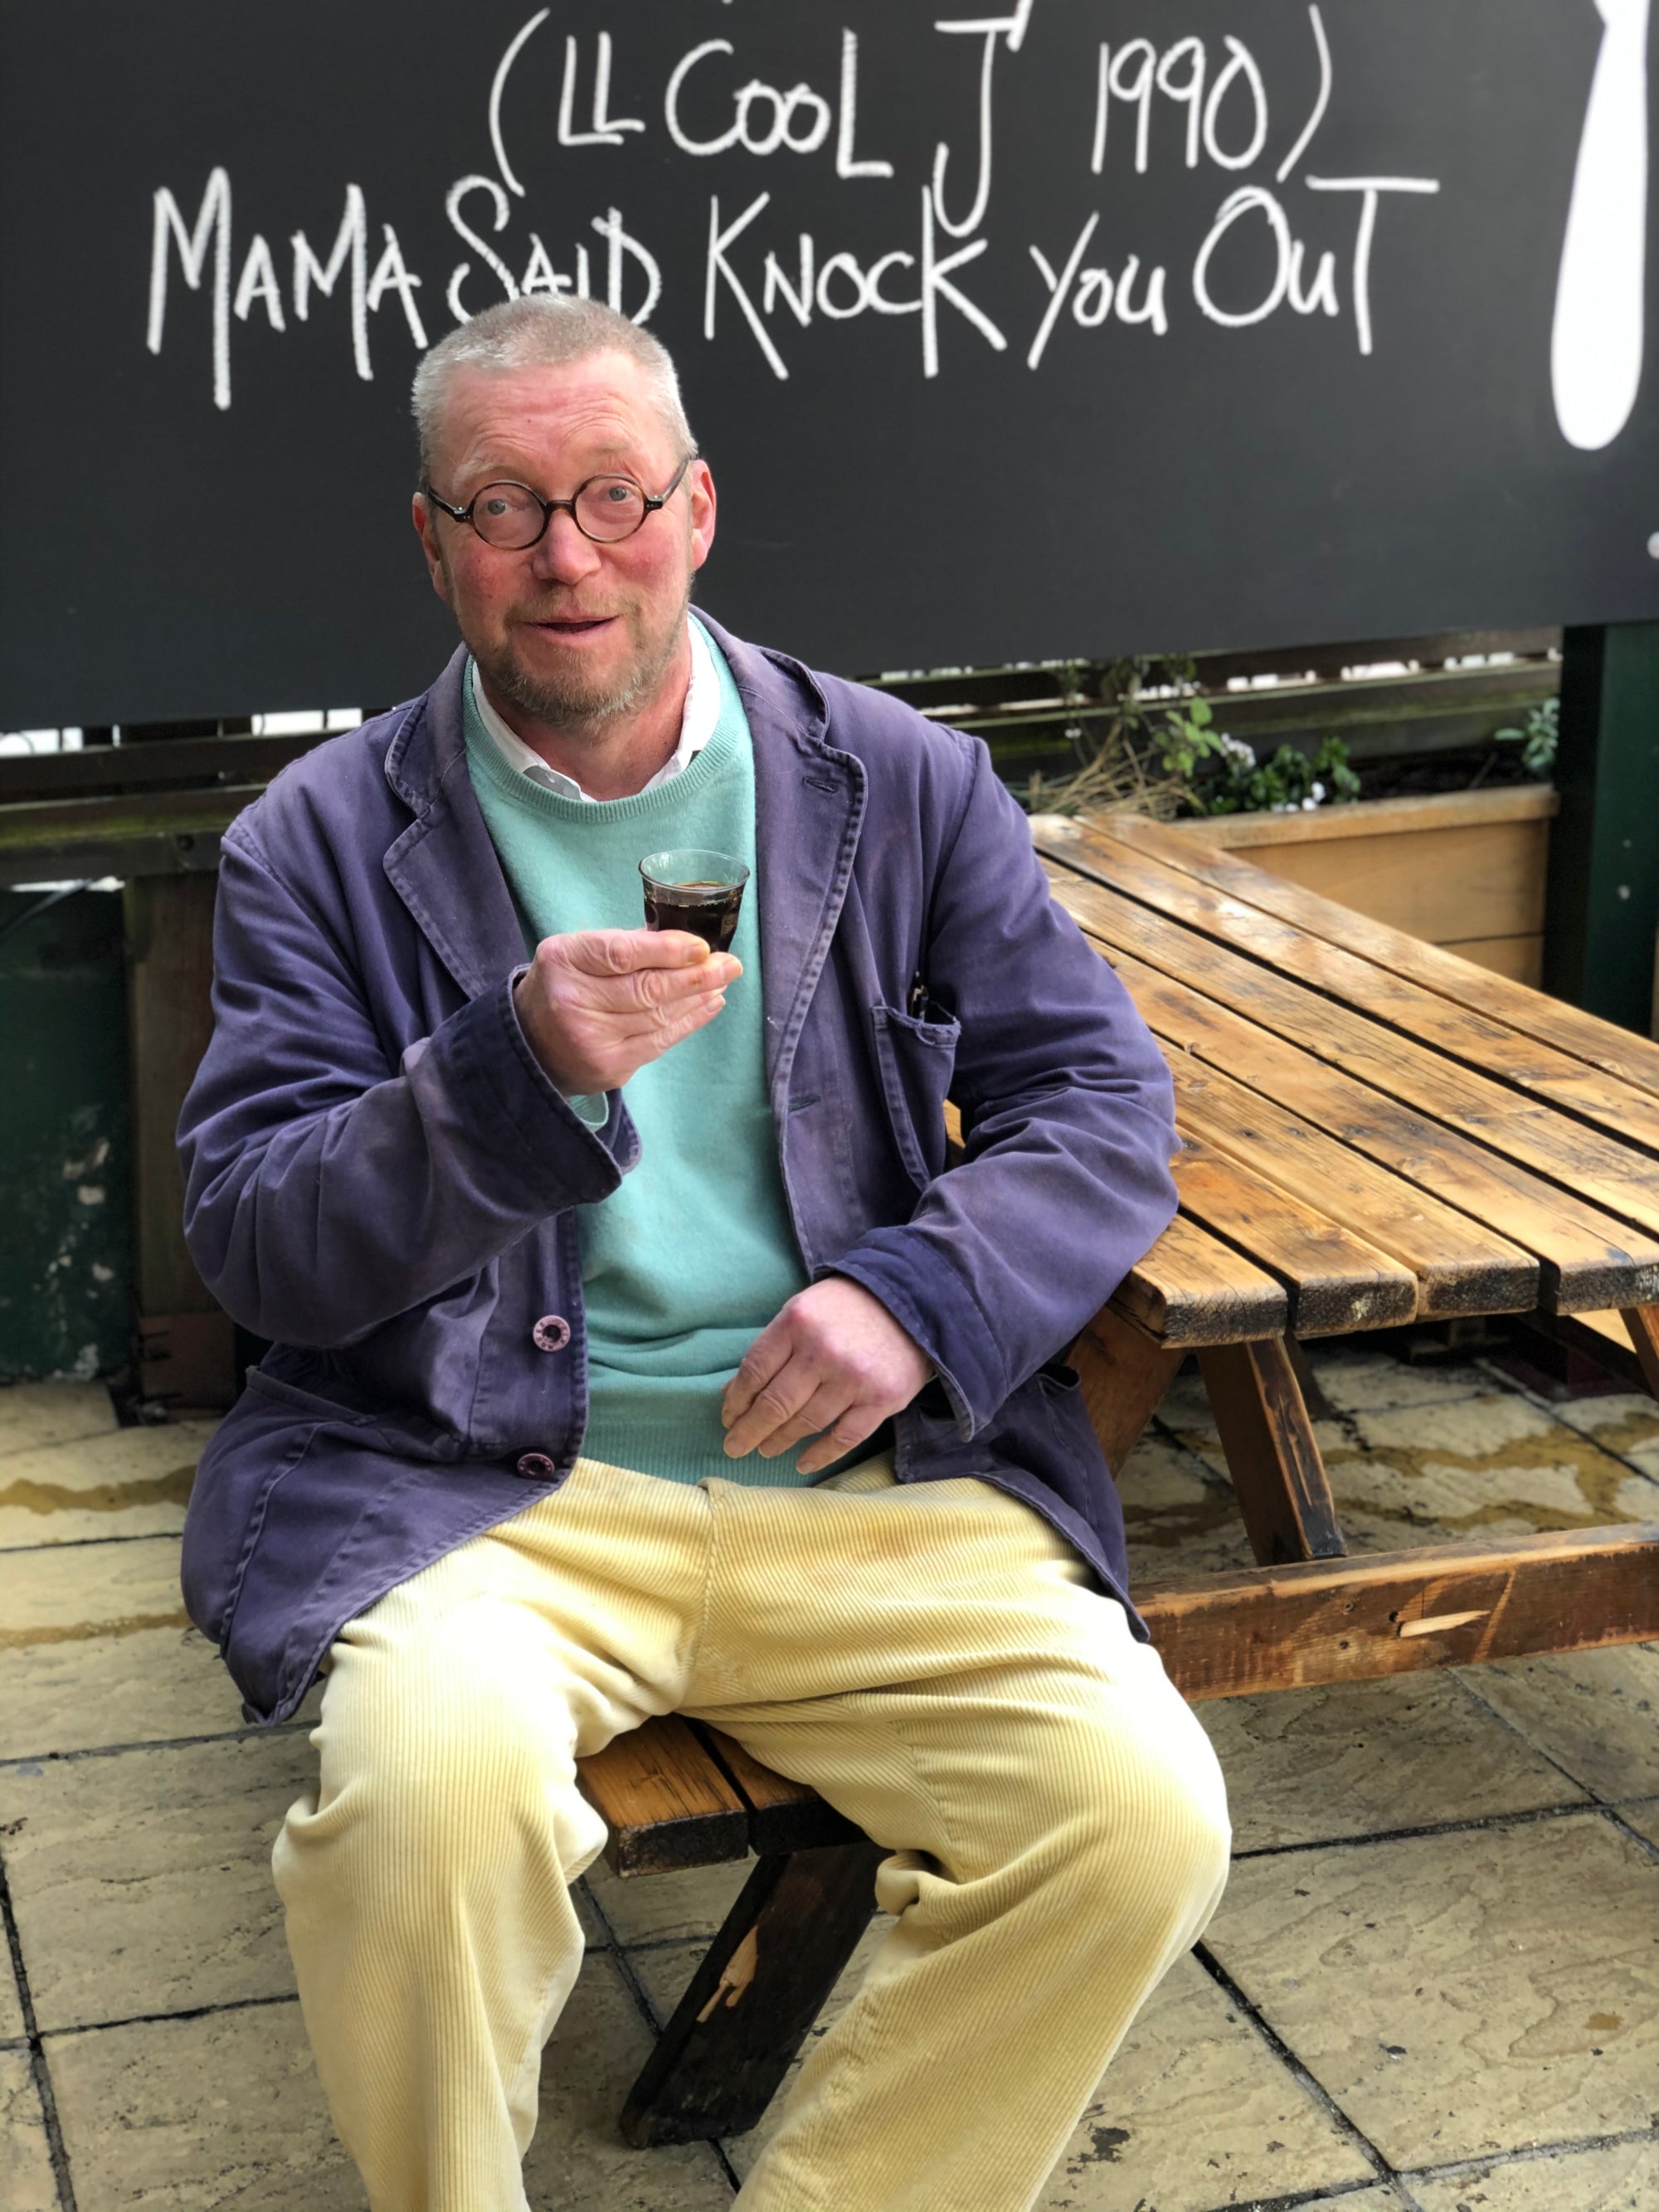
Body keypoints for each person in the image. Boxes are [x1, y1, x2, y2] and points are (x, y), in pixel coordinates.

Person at [177, 294, 1229, 2212]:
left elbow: (1100, 1101)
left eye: (610, 493)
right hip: (479, 1484)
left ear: (697, 509)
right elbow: (257, 1238)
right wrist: (505, 1070)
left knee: (1137, 1815)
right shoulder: (317, 841)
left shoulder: (898, 778)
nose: (564, 553)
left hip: (869, 1480)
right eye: (502, 505)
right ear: (431, 541)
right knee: (416, 1803)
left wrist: (915, 1295)